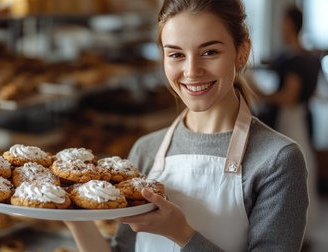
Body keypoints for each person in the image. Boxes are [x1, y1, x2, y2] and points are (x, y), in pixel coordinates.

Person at [65, 0, 308, 251]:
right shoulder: (146, 149)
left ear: (242, 51)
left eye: (209, 52)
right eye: (176, 54)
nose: (191, 71)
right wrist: (70, 214)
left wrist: (180, 232)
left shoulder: (277, 160)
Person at [258, 5, 320, 235]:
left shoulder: (295, 60)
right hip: (304, 116)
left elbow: (289, 97)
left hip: (291, 118)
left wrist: (259, 93)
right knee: (306, 162)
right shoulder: (311, 56)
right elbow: (312, 94)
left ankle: (291, 221)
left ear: (290, 24)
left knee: (291, 164)